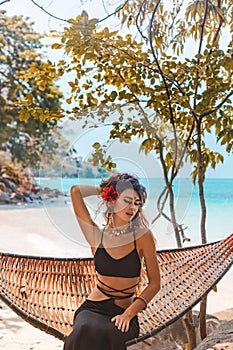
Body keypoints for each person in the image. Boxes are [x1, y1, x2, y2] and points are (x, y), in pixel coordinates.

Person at [64, 173, 161, 350]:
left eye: (136, 203)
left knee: (110, 335)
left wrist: (129, 314)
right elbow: (75, 191)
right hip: (92, 309)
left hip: (123, 313)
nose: (133, 207)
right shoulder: (97, 236)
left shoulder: (142, 237)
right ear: (113, 199)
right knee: (84, 330)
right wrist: (104, 190)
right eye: (127, 201)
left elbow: (155, 284)